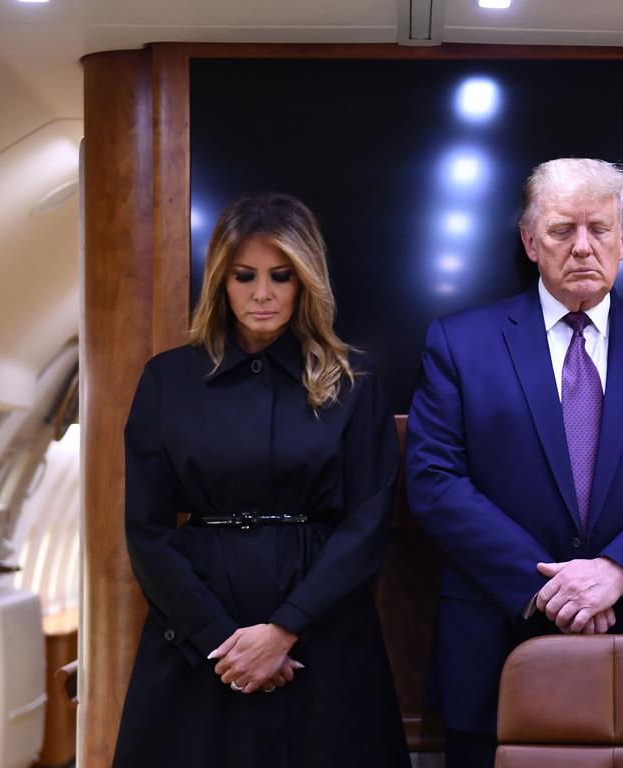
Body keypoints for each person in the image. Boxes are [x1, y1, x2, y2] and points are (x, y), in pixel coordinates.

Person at [405, 158, 623, 767]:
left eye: (600, 229)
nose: (583, 247)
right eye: (562, 230)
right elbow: (435, 481)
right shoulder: (459, 342)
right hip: (497, 633)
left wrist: (616, 570)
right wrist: (553, 586)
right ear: (531, 242)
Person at [113, 193, 410, 767]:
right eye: (244, 276)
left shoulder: (352, 380)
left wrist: (284, 630)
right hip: (199, 635)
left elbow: (368, 523)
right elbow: (146, 531)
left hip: (322, 629)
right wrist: (220, 639)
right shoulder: (168, 380)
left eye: (281, 276)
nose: (263, 294)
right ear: (220, 282)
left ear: (306, 282)